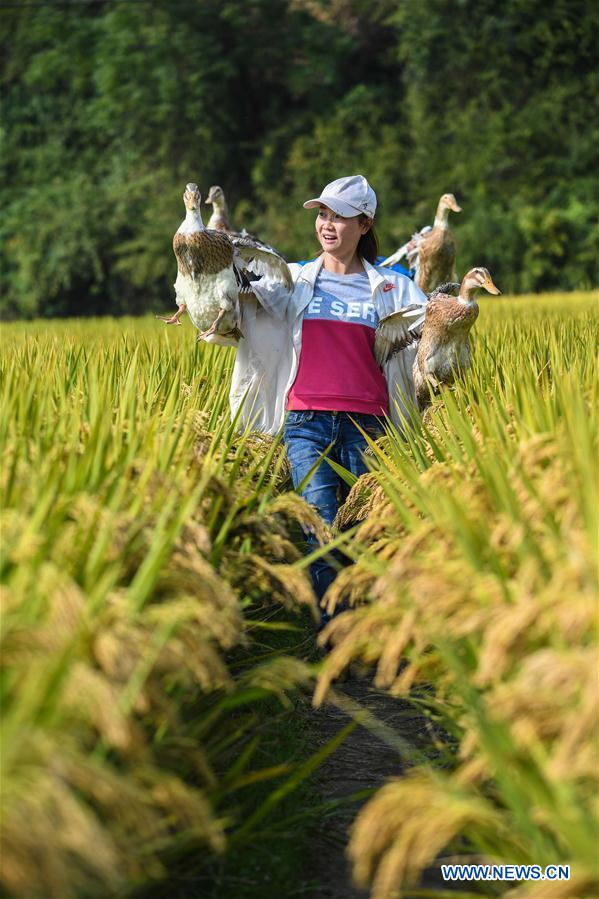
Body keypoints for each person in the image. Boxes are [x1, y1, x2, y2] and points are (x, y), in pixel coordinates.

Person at [226, 176, 427, 624]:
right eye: (322, 214)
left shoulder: (393, 288)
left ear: (365, 223)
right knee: (320, 531)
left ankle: (365, 629)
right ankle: (333, 638)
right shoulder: (293, 281)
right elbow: (239, 304)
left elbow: (429, 341)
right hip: (306, 421)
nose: (328, 224)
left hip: (368, 426)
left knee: (364, 534)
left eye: (339, 216)